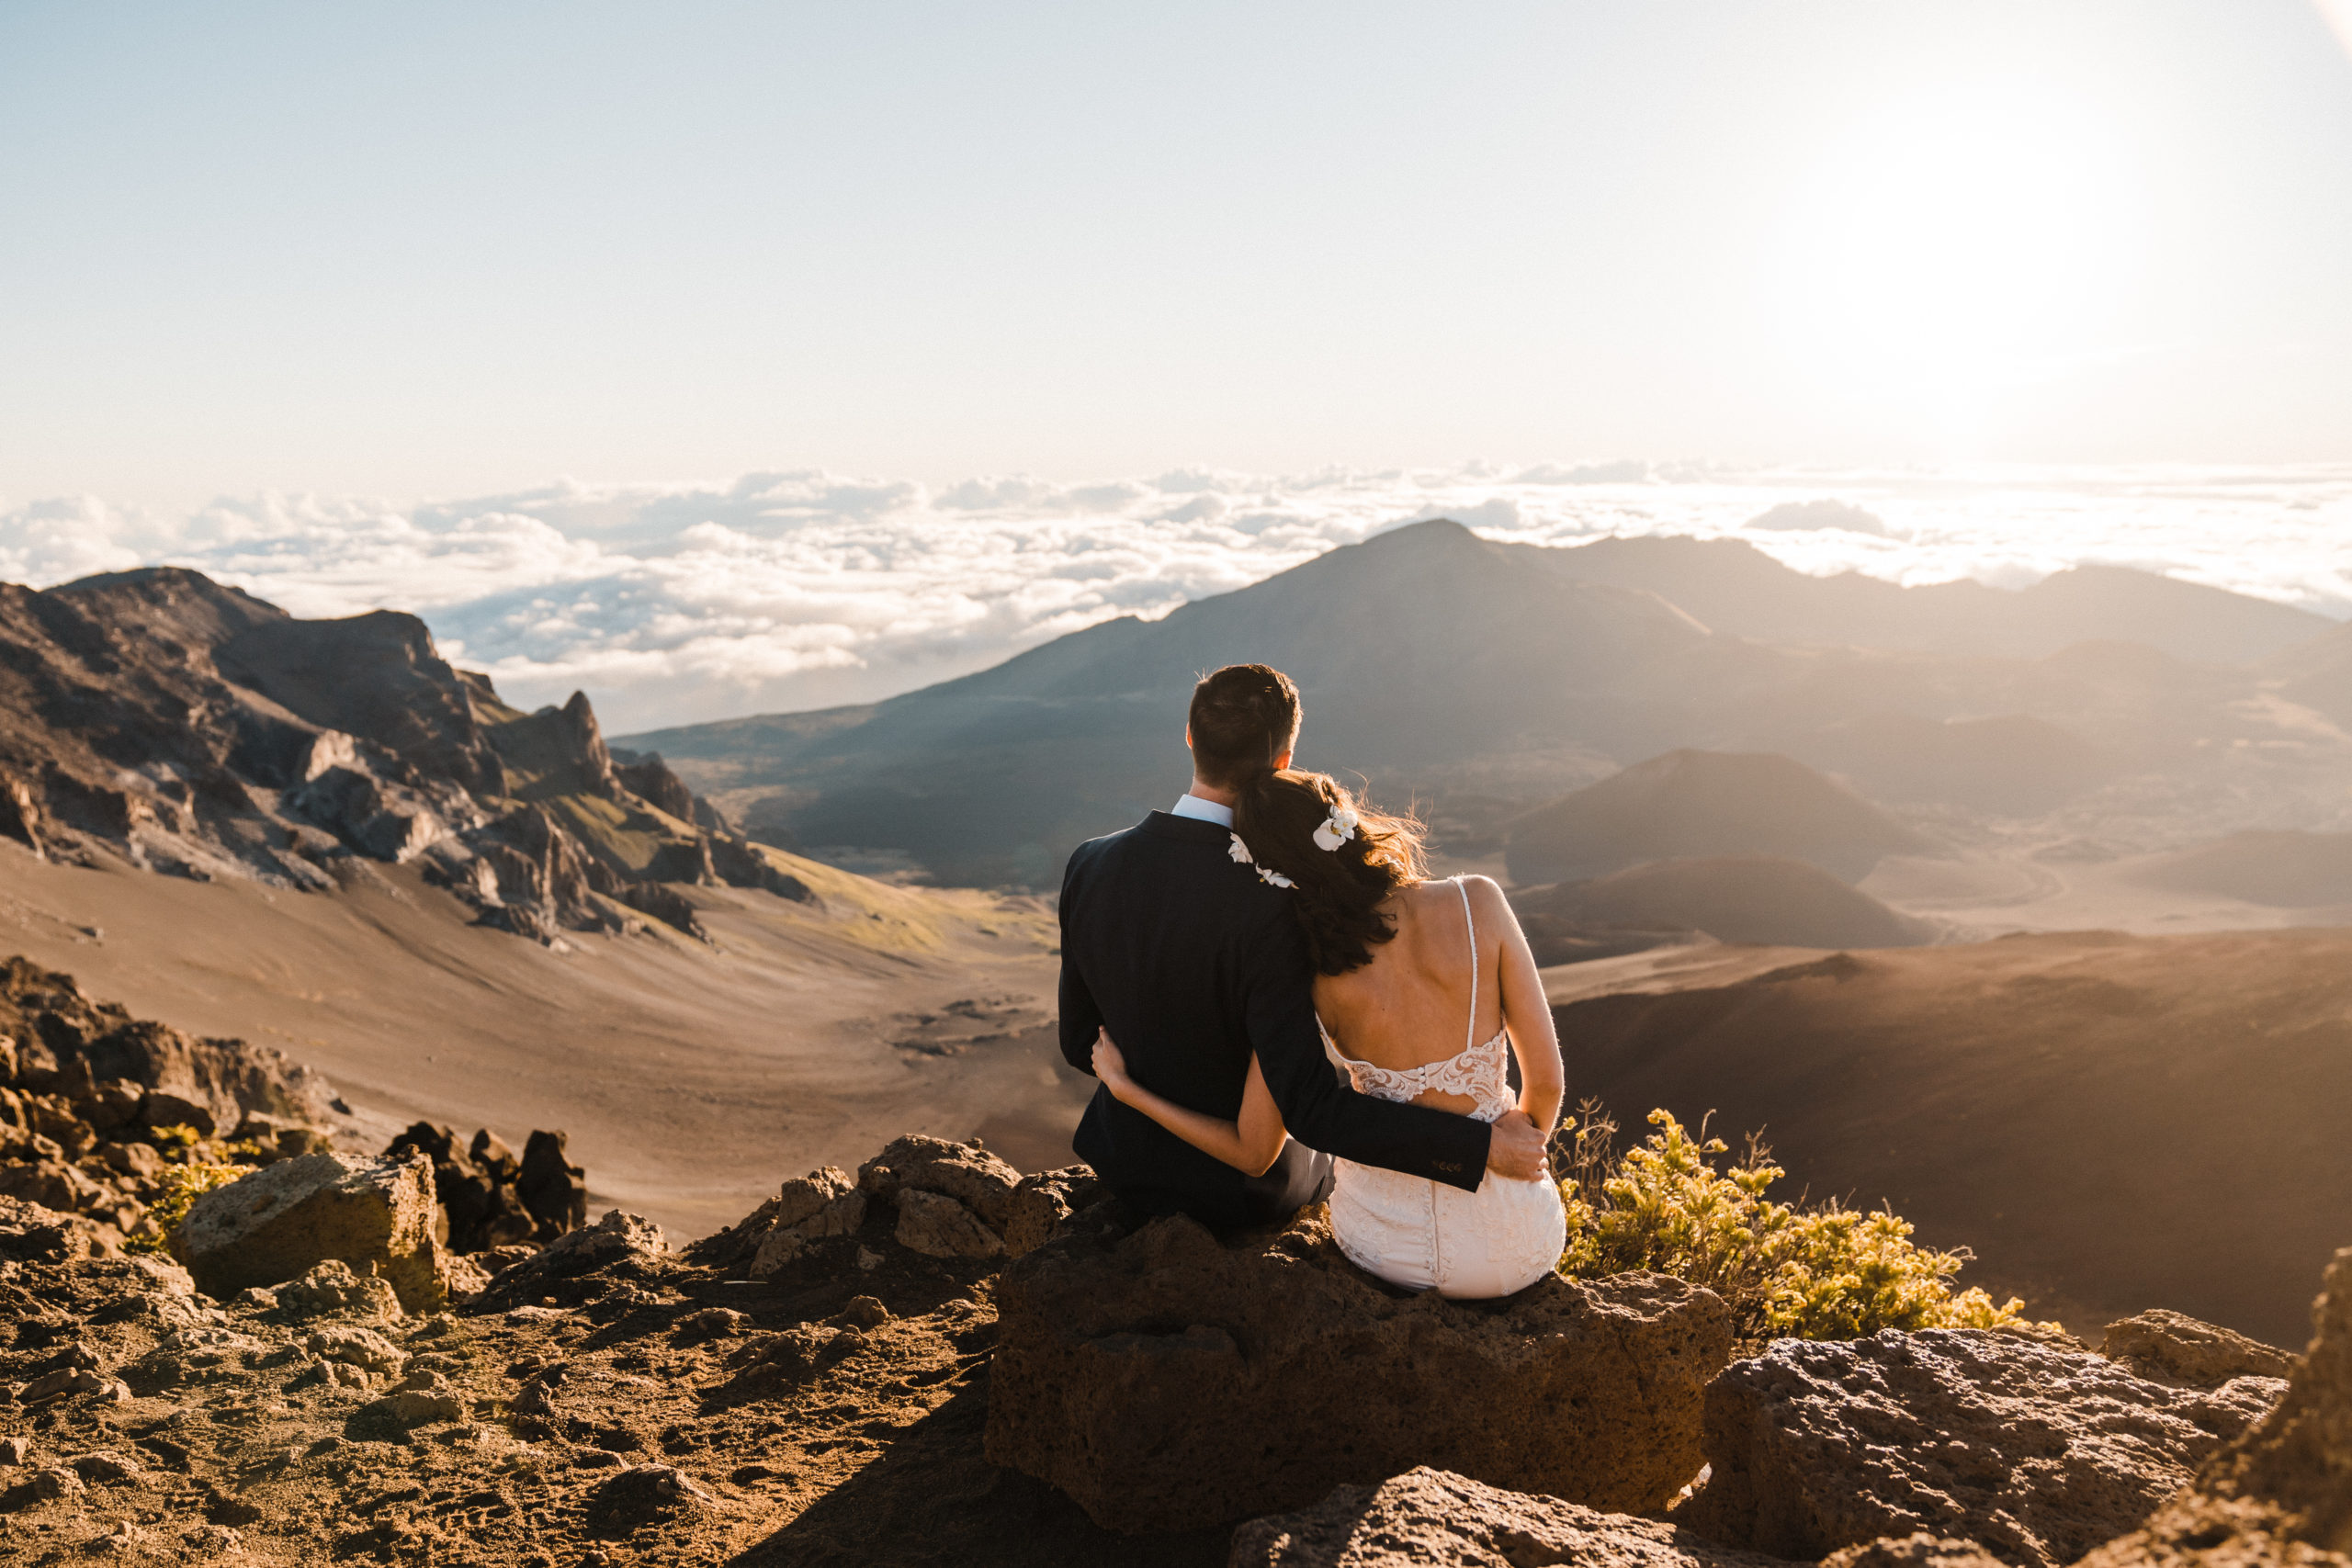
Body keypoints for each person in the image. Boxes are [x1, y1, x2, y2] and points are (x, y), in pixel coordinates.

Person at [1057, 662, 1548, 1235]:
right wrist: (1475, 1145)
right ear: (1284, 763)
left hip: (1123, 1165)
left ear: (1190, 737)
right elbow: (1311, 1107)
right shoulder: (1280, 903)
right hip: (1242, 1196)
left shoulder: (1088, 863)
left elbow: (1077, 1043)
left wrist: (1133, 1086)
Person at [1091, 762, 1566, 1299]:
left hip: (1388, 1251)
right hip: (1515, 1249)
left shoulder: (1303, 971)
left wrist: (1127, 1090)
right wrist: (1516, 1156)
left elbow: (1255, 1149)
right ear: (1345, 818)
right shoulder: (1477, 900)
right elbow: (1546, 1083)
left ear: (1271, 871)